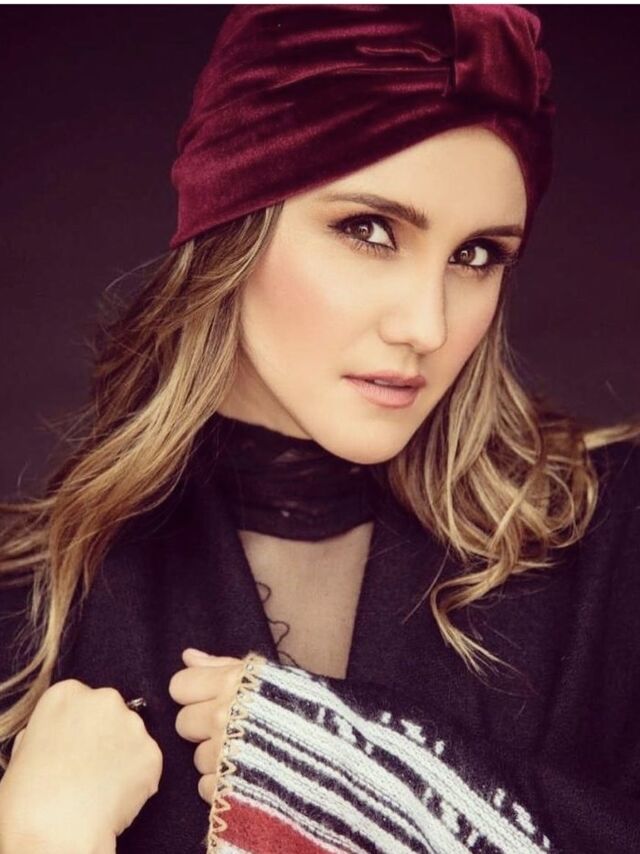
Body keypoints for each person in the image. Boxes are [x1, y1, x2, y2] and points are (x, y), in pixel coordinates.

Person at [0, 4, 638, 853]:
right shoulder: (31, 608)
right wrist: (44, 834)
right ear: (233, 225)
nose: (427, 325)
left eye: (477, 255)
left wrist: (363, 778)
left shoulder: (616, 539)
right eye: (368, 231)